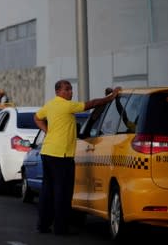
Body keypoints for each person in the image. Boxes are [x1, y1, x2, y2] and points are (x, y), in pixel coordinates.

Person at [33, 79, 121, 236]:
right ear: (58, 92)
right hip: (61, 156)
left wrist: (47, 131)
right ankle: (60, 229)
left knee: (48, 192)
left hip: (47, 153)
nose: (70, 92)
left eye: (71, 89)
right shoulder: (67, 105)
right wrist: (110, 97)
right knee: (63, 194)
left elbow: (37, 117)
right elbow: (91, 103)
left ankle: (43, 225)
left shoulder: (50, 104)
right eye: (66, 89)